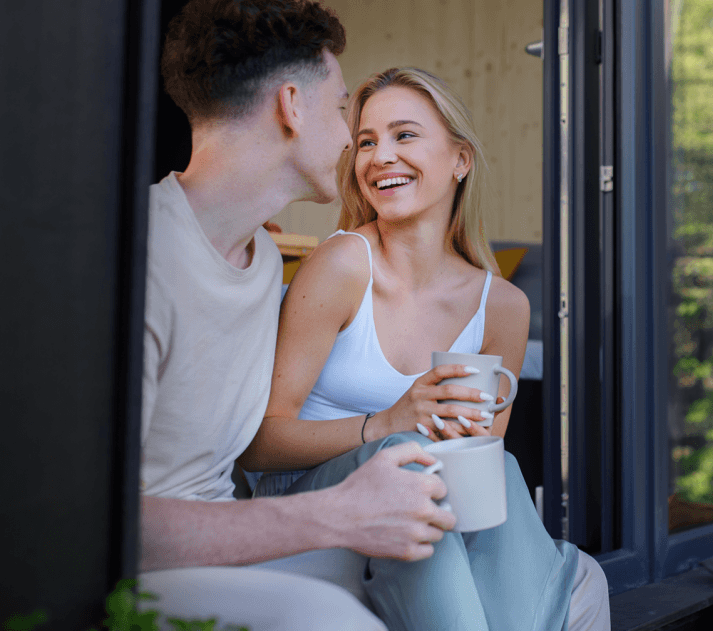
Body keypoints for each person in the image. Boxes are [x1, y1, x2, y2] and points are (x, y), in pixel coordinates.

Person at [237, 67, 610, 630]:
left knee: (499, 468)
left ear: (461, 158)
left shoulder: (503, 307)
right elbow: (258, 446)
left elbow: (478, 467)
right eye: (366, 141)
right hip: (310, 498)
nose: (379, 155)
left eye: (404, 135)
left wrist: (455, 438)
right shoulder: (340, 266)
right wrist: (390, 420)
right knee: (411, 457)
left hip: (424, 510)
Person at [139, 2, 455, 628]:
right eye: (342, 109)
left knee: (567, 578)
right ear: (290, 105)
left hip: (230, 549)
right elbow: (78, 524)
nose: (348, 137)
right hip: (139, 574)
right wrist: (337, 511)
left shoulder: (259, 259)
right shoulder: (134, 259)